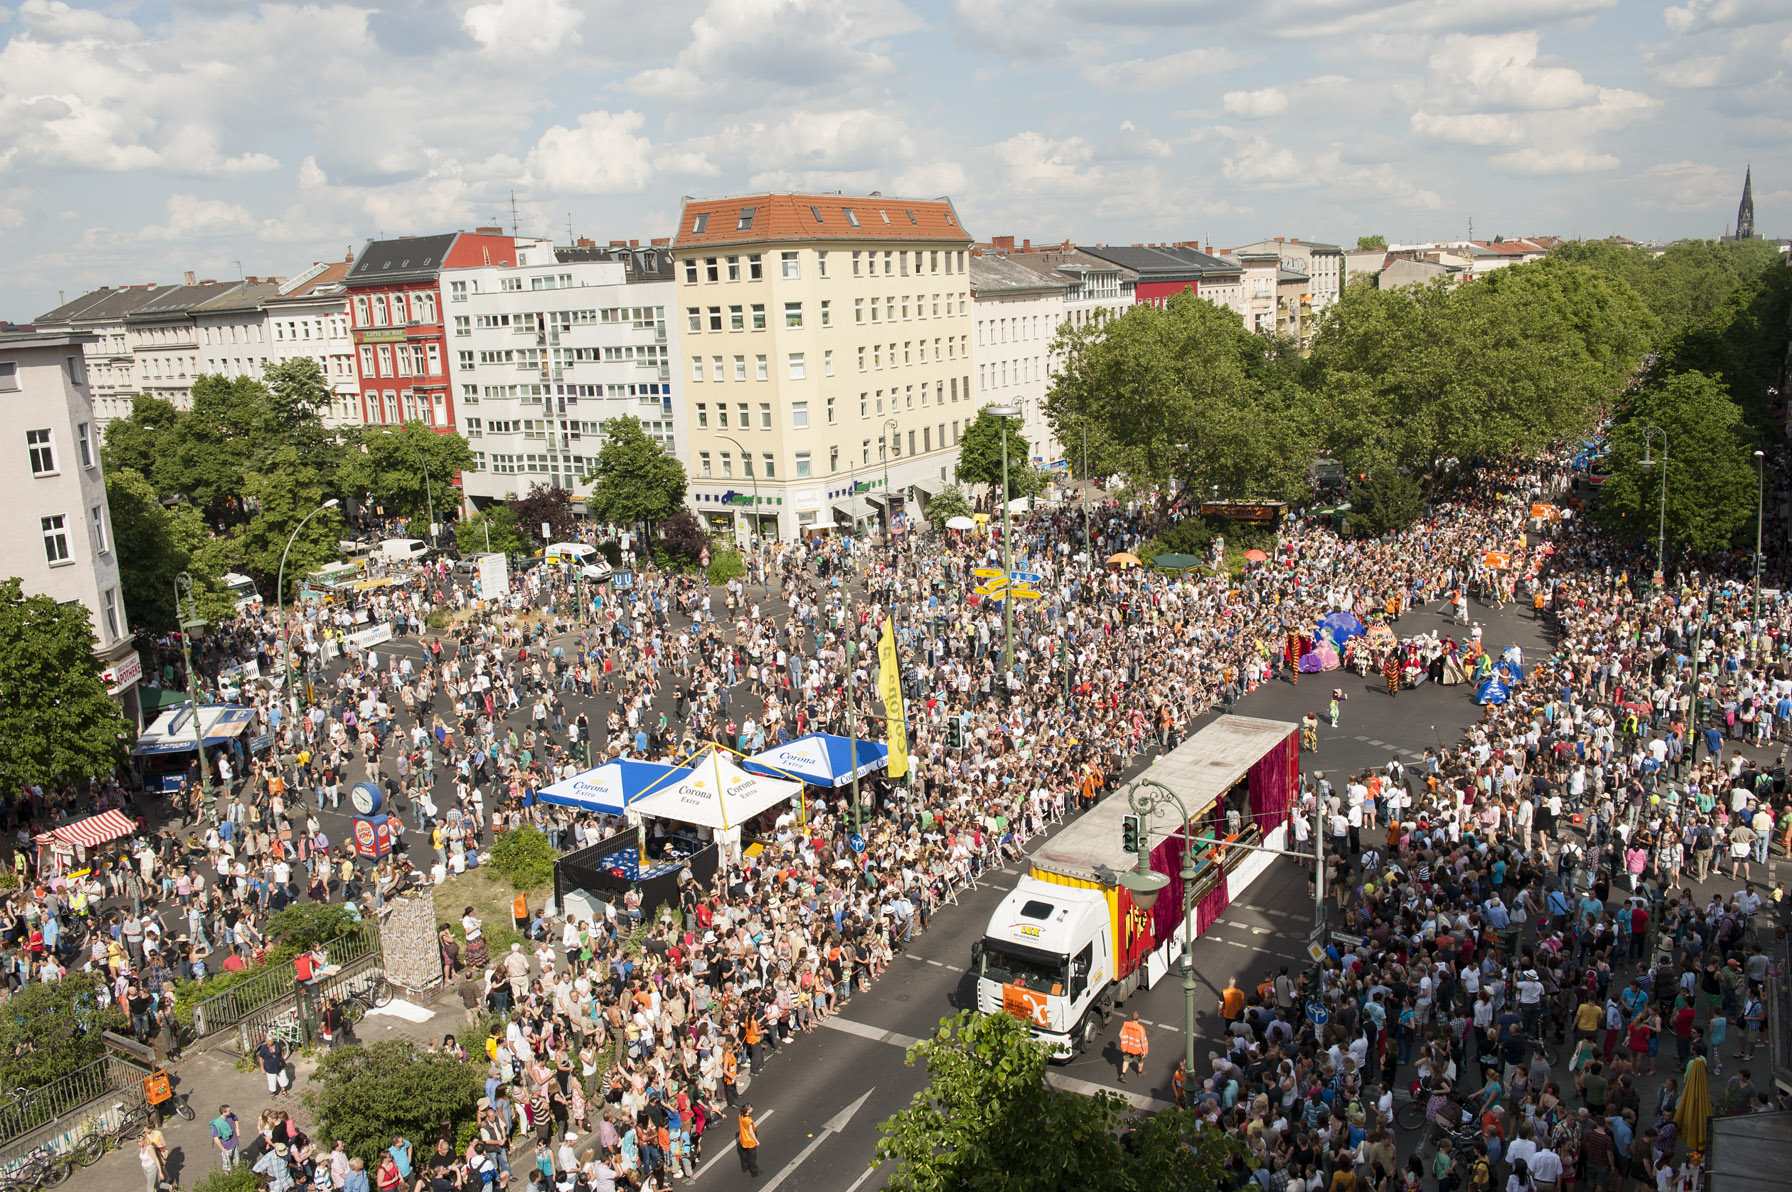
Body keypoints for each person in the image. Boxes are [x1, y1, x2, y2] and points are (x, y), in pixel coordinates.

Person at [1118, 1011, 1148, 1083]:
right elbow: (1143, 1040)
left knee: (1126, 1061)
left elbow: (1120, 1034)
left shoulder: (1126, 1024)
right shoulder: (1140, 1028)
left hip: (1128, 1048)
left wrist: (1125, 1043)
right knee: (1140, 1061)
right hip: (1138, 1049)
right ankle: (1139, 1073)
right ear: (1138, 1019)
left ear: (1131, 1018)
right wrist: (1145, 1051)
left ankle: (1122, 1075)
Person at [210, 1103, 239, 1170]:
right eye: (229, 1111)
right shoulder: (217, 1124)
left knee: (236, 1162)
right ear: (223, 1112)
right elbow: (215, 1138)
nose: (231, 1112)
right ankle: (227, 1178)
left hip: (235, 1143)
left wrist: (237, 1129)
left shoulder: (230, 1115)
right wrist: (222, 1149)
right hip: (226, 1147)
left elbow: (236, 1118)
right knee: (227, 1166)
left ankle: (237, 1174)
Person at [737, 1102, 760, 1178]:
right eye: (751, 1108)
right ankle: (754, 1172)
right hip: (749, 1141)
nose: (752, 1108)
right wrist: (756, 1141)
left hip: (742, 1139)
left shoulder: (740, 1115)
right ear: (747, 1110)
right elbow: (751, 1132)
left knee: (744, 1155)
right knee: (752, 1158)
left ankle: (745, 1167)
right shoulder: (748, 1120)